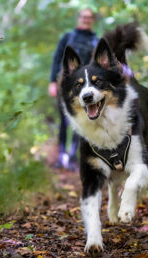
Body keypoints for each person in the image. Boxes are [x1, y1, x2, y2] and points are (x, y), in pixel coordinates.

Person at [49, 8, 98, 171]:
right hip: (64, 83)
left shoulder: (95, 40)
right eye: (84, 16)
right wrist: (52, 82)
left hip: (84, 87)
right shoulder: (68, 37)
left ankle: (72, 157)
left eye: (89, 17)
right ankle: (61, 157)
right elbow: (57, 58)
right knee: (64, 120)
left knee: (80, 121)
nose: (86, 19)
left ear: (93, 20)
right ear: (79, 18)